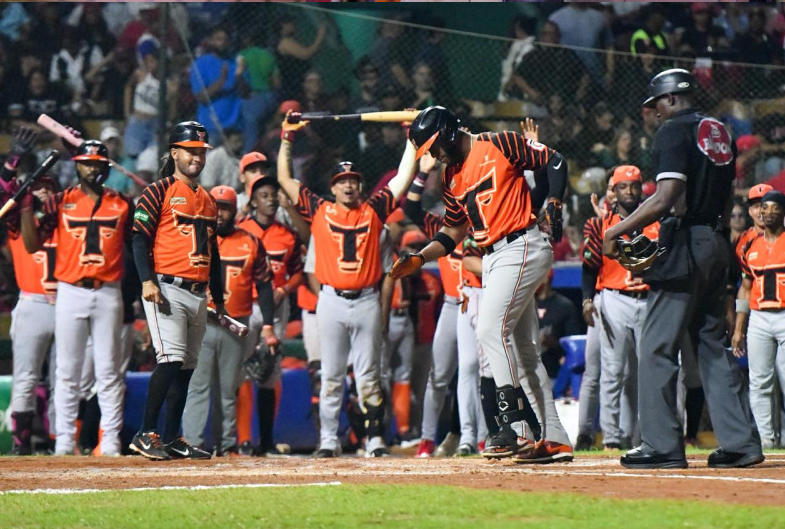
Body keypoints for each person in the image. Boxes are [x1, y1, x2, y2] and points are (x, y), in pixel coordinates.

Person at [392, 106, 573, 464]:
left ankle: (515, 426)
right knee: (523, 352)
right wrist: (420, 257)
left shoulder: (499, 142)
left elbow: (554, 161)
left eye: (433, 146)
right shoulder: (451, 176)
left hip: (521, 241)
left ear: (447, 133)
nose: (433, 154)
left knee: (490, 329)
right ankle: (554, 436)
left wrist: (554, 199)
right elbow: (453, 231)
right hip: (493, 256)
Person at [602, 69, 763, 469]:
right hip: (715, 239)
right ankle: (742, 444)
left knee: (656, 345)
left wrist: (616, 230)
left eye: (656, 104)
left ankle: (661, 446)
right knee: (712, 345)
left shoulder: (673, 131)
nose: (654, 112)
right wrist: (720, 242)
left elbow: (666, 197)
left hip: (687, 241)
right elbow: (727, 195)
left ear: (671, 99)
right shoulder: (719, 129)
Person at [277, 111, 417, 458]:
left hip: (367, 299)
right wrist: (286, 139)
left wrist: (412, 139)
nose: (349, 185)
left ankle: (374, 439)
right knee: (332, 375)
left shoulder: (374, 209)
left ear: (360, 184)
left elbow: (403, 176)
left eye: (353, 179)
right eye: (342, 180)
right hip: (332, 301)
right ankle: (328, 440)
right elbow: (284, 178)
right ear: (333, 185)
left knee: (370, 374)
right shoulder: (320, 210)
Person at [20, 140, 133, 457]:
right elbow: (32, 245)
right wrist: (28, 207)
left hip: (108, 290)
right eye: (87, 163)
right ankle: (65, 439)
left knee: (109, 370)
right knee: (67, 371)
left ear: (106, 167)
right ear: (78, 165)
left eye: (98, 163)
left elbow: (140, 246)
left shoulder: (123, 203)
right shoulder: (60, 201)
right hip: (69, 289)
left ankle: (110, 440)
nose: (92, 168)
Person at [130, 121, 225, 460]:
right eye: (190, 150)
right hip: (166, 288)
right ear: (174, 153)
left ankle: (171, 438)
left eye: (201, 151)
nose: (197, 157)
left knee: (185, 368)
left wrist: (220, 297)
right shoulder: (159, 190)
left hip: (198, 292)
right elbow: (139, 238)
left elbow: (214, 257)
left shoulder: (209, 200)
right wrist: (147, 281)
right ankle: (145, 433)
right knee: (170, 361)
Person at [182, 185, 277, 456]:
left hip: (235, 323)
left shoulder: (250, 242)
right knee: (198, 386)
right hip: (200, 321)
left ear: (235, 211)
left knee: (228, 389)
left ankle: (227, 444)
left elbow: (266, 284)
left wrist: (268, 324)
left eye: (226, 208)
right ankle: (193, 442)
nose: (221, 213)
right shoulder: (194, 237)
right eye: (217, 207)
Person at [584, 166, 659, 450]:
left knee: (650, 372)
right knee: (613, 371)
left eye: (634, 186)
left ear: (642, 189)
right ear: (613, 191)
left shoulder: (656, 220)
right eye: (623, 187)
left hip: (649, 298)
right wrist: (586, 299)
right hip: (614, 298)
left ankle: (648, 436)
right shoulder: (599, 224)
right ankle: (612, 438)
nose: (630, 192)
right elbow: (589, 267)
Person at [236, 172, 304, 456]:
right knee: (240, 373)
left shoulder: (287, 235)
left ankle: (264, 441)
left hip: (275, 308)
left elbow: (300, 270)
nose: (271, 201)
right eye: (264, 196)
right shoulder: (240, 230)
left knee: (268, 374)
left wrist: (286, 289)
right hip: (244, 307)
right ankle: (240, 440)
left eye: (273, 195)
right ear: (252, 201)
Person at [1, 127, 57, 455]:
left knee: (66, 379)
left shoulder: (66, 218)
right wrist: (12, 163)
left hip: (66, 301)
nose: (42, 196)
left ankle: (59, 441)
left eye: (48, 190)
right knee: (25, 376)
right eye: (37, 190)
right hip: (33, 301)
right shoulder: (17, 220)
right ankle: (23, 447)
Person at [733, 190, 785, 450]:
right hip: (760, 318)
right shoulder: (749, 245)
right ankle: (767, 438)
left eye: (775, 208)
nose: (767, 213)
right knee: (759, 379)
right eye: (764, 208)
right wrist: (739, 328)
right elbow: (744, 287)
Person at [190, 26, 246, 144]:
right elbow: (201, 97)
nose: (222, 43)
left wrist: (240, 77)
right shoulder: (201, 63)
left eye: (225, 40)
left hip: (234, 125)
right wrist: (221, 82)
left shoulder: (235, 62)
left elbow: (246, 93)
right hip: (210, 125)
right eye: (218, 39)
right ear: (210, 41)